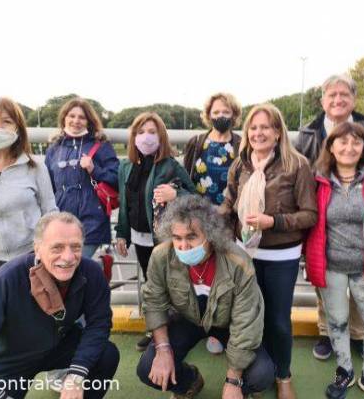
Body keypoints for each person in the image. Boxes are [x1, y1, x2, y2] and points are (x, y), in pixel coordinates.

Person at [295, 74, 364, 361]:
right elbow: (298, 173)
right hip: (323, 219)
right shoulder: (308, 133)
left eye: (344, 94)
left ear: (353, 98)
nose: (338, 100)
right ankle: (327, 332)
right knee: (325, 285)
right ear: (322, 101)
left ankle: (357, 334)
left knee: (361, 281)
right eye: (332, 95)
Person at [221, 103, 317, 399]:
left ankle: (283, 374)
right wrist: (214, 226)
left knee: (277, 319)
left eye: (265, 127)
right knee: (249, 316)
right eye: (253, 127)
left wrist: (272, 221)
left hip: (281, 255)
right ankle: (257, 371)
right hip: (244, 254)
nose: (258, 133)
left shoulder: (296, 164)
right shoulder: (240, 165)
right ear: (246, 132)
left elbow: (309, 214)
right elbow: (228, 204)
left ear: (278, 132)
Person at [136, 195, 275, 399]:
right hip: (187, 319)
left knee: (261, 374)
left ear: (210, 235)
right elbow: (154, 302)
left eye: (191, 237)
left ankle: (241, 390)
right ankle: (189, 381)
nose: (183, 246)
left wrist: (234, 380)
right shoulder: (161, 256)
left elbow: (246, 321)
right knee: (148, 368)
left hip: (228, 324)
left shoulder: (238, 262)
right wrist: (163, 350)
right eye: (177, 237)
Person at [0, 212, 120, 399]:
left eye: (75, 247)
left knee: (107, 354)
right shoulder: (8, 278)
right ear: (38, 249)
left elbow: (99, 324)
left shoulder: (92, 274)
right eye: (57, 247)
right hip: (11, 357)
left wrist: (77, 375)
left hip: (58, 345)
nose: (68, 257)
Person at [305, 122, 364, 399]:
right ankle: (344, 370)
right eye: (342, 142)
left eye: (356, 142)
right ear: (331, 147)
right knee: (337, 323)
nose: (349, 148)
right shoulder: (317, 180)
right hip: (330, 267)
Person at [114, 112, 196, 351]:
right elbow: (124, 203)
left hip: (163, 238)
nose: (146, 137)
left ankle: (177, 330)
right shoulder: (125, 166)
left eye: (152, 132)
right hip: (139, 238)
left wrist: (176, 195)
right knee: (151, 284)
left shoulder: (170, 165)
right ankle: (156, 331)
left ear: (161, 136)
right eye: (141, 132)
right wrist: (122, 233)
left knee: (170, 284)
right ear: (133, 137)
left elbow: (197, 198)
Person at [0, 96, 57, 283]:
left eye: (7, 121)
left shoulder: (35, 167)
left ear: (17, 128)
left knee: (28, 311)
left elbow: (50, 213)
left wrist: (48, 252)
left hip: (30, 256)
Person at [183, 93, 242, 354]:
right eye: (216, 112)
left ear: (235, 115)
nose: (221, 117)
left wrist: (230, 209)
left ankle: (222, 330)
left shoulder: (241, 143)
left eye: (226, 112)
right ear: (208, 115)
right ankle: (200, 324)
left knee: (225, 273)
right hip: (199, 219)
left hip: (230, 219)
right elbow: (185, 177)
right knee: (200, 271)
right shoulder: (197, 142)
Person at [45, 98, 119, 259]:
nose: (76, 121)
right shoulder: (54, 148)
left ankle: (96, 270)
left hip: (92, 220)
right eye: (72, 116)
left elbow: (117, 176)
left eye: (81, 117)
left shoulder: (100, 145)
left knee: (75, 263)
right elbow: (47, 187)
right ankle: (99, 268)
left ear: (89, 121)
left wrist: (95, 170)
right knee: (64, 268)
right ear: (64, 117)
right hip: (60, 219)